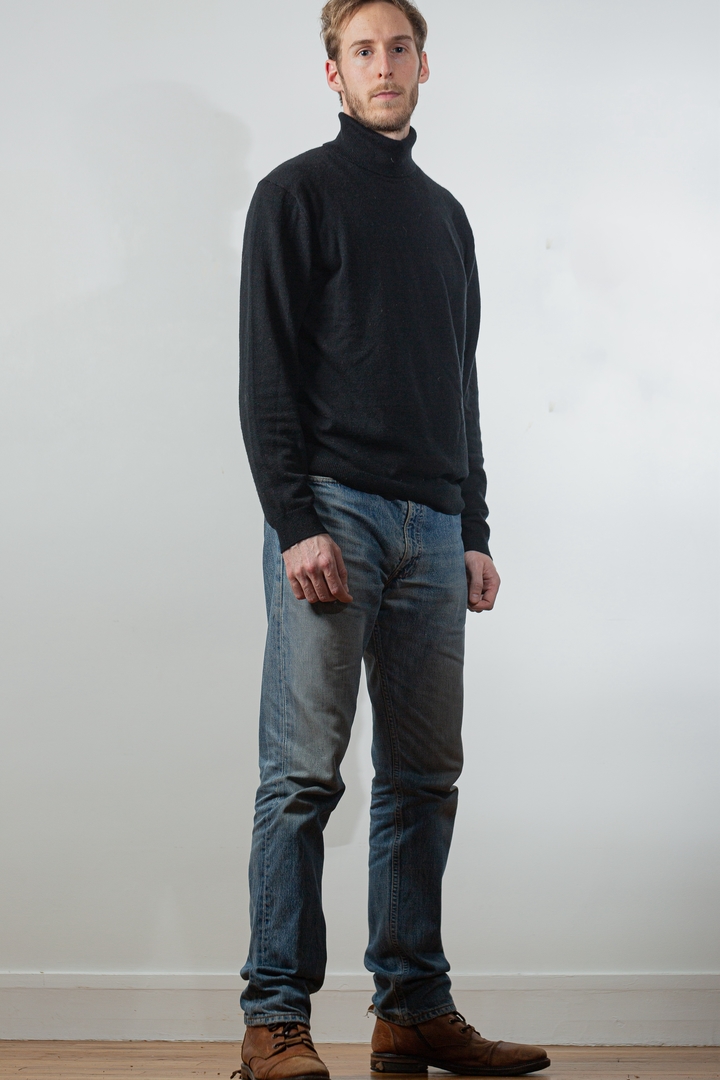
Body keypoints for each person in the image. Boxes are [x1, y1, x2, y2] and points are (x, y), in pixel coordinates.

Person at [236, 1, 550, 1076]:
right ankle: (274, 1020)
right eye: (361, 51)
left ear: (424, 64)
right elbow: (266, 376)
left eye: (399, 48)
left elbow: (458, 385)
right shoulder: (294, 195)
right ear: (332, 72)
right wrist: (296, 522)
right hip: (335, 513)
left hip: (435, 524)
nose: (383, 66)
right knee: (301, 777)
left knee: (424, 778)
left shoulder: (447, 217)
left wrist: (475, 528)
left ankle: (411, 1007)